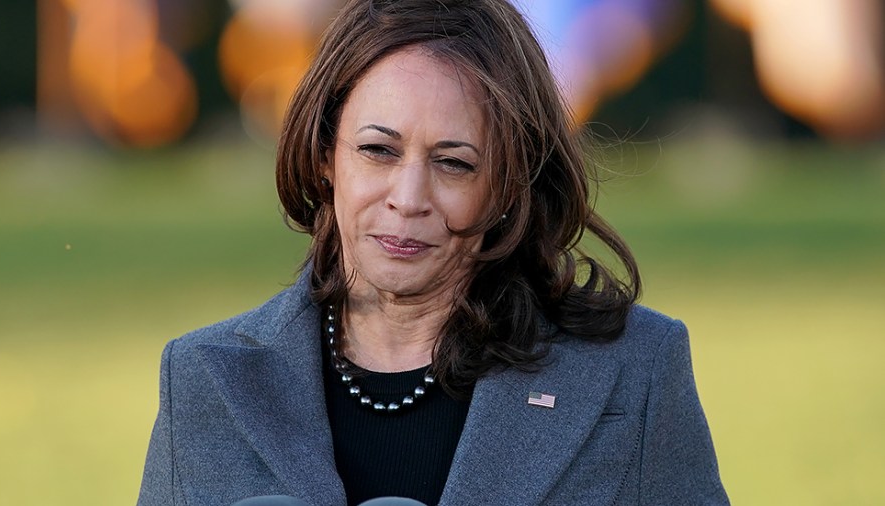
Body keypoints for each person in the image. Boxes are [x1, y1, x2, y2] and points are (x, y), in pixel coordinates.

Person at [137, 0, 729, 505]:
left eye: (454, 163)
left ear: (509, 183)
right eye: (378, 151)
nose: (408, 198)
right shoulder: (204, 378)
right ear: (325, 156)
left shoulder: (637, 370)